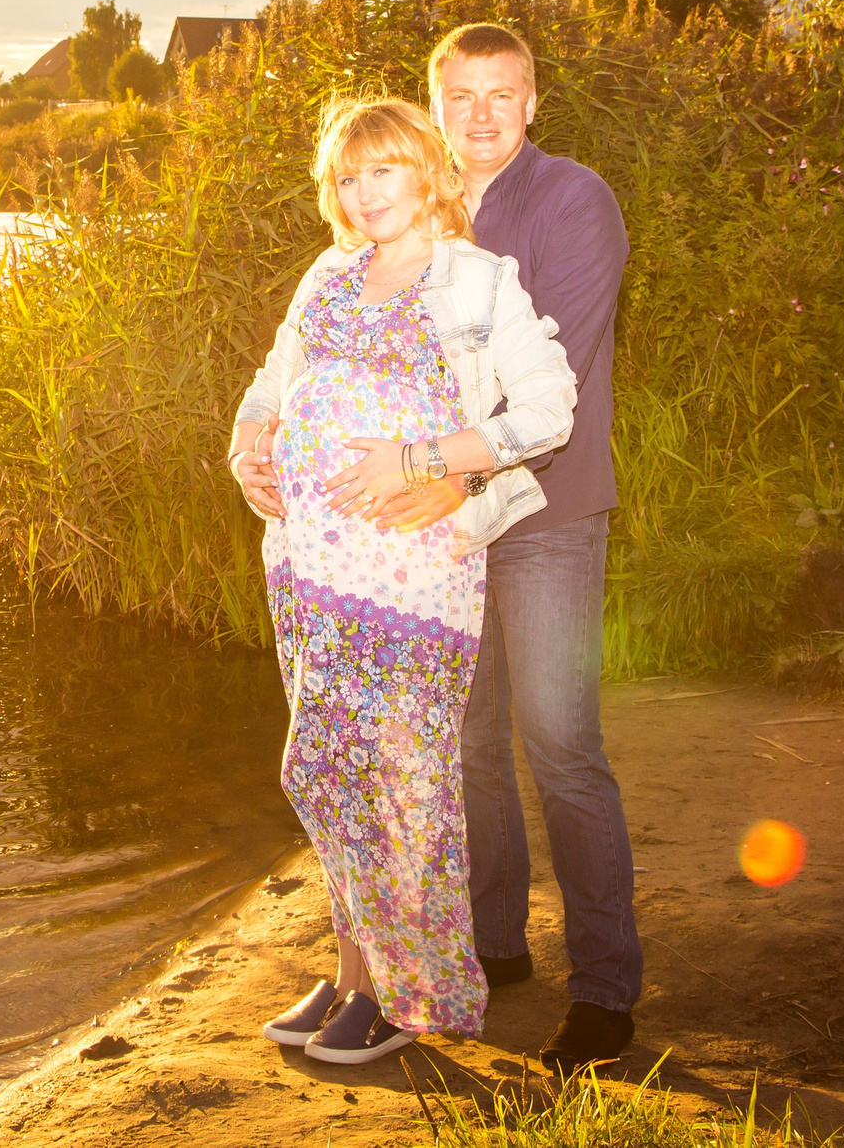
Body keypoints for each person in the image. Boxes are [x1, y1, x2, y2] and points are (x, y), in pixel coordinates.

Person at [227, 96, 577, 1066]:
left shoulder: (472, 280)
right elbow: (270, 381)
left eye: (382, 168)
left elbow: (549, 409)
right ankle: (352, 975)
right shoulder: (329, 273)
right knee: (325, 772)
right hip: (306, 568)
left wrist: (425, 461)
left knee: (399, 783)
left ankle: (411, 994)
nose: (363, 191)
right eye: (346, 175)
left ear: (425, 168)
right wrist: (245, 450)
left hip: (408, 580)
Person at [431, 22, 642, 1076]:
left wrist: (424, 459)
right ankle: (495, 942)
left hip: (546, 509)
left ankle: (604, 991)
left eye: (498, 94)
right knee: (471, 744)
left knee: (560, 746)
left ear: (531, 103)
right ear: (436, 104)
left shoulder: (570, 200)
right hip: (446, 523)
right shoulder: (416, 207)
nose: (480, 114)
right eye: (460, 95)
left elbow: (543, 374)